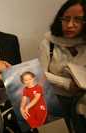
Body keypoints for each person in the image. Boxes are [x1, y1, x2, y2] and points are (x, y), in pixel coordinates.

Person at [39, 0, 86, 132]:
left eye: (77, 19)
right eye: (66, 19)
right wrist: (66, 84)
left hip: (82, 105)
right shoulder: (48, 43)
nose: (70, 25)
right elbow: (40, 74)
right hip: (55, 102)